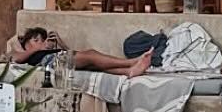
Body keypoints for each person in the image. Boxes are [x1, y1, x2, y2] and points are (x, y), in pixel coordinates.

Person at [13, 27, 153, 78]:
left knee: (94, 65)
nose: (40, 42)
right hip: (51, 61)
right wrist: (40, 47)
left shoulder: (44, 50)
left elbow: (71, 54)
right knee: (91, 55)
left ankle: (129, 71)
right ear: (26, 42)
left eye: (42, 40)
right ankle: (131, 62)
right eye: (36, 40)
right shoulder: (23, 53)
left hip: (60, 57)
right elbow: (16, 59)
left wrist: (61, 44)